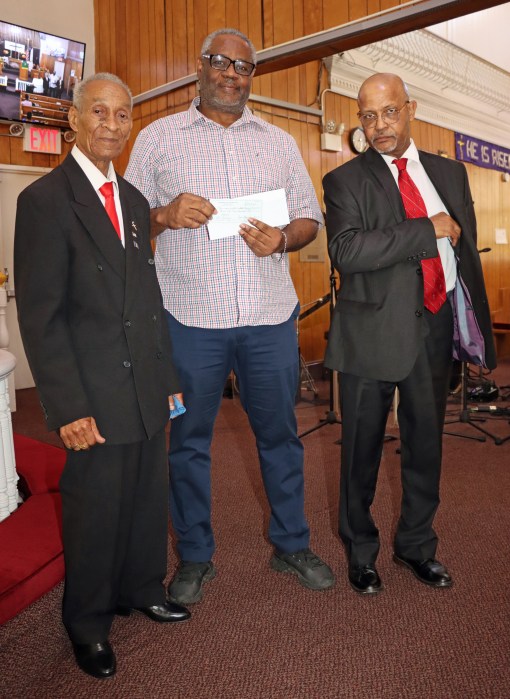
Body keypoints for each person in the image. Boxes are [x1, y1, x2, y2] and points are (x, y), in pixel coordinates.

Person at [125, 28, 335, 605]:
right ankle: (194, 556)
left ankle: (291, 544)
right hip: (190, 319)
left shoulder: (278, 142)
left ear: (251, 76)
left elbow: (307, 219)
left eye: (243, 67)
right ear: (202, 66)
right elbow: (126, 220)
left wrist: (282, 239)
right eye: (221, 63)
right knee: (188, 442)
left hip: (268, 316)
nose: (231, 74)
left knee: (281, 437)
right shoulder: (156, 138)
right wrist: (164, 213)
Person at [14, 72, 191, 680]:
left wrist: (165, 377)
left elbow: (147, 296)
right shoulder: (41, 201)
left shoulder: (138, 203)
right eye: (100, 113)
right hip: (89, 392)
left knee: (145, 496)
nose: (112, 126)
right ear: (74, 120)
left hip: (143, 384)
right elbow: (42, 317)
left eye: (122, 115)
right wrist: (65, 408)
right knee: (94, 508)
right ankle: (87, 623)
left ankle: (141, 587)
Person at [322, 73, 496, 595]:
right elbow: (348, 252)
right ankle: (361, 550)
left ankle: (418, 546)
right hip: (369, 336)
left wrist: (474, 325)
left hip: (433, 327)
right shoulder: (345, 181)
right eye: (368, 116)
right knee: (361, 452)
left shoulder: (449, 173)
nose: (380, 126)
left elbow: (465, 253)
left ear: (410, 109)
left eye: (390, 112)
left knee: (425, 447)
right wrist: (426, 229)